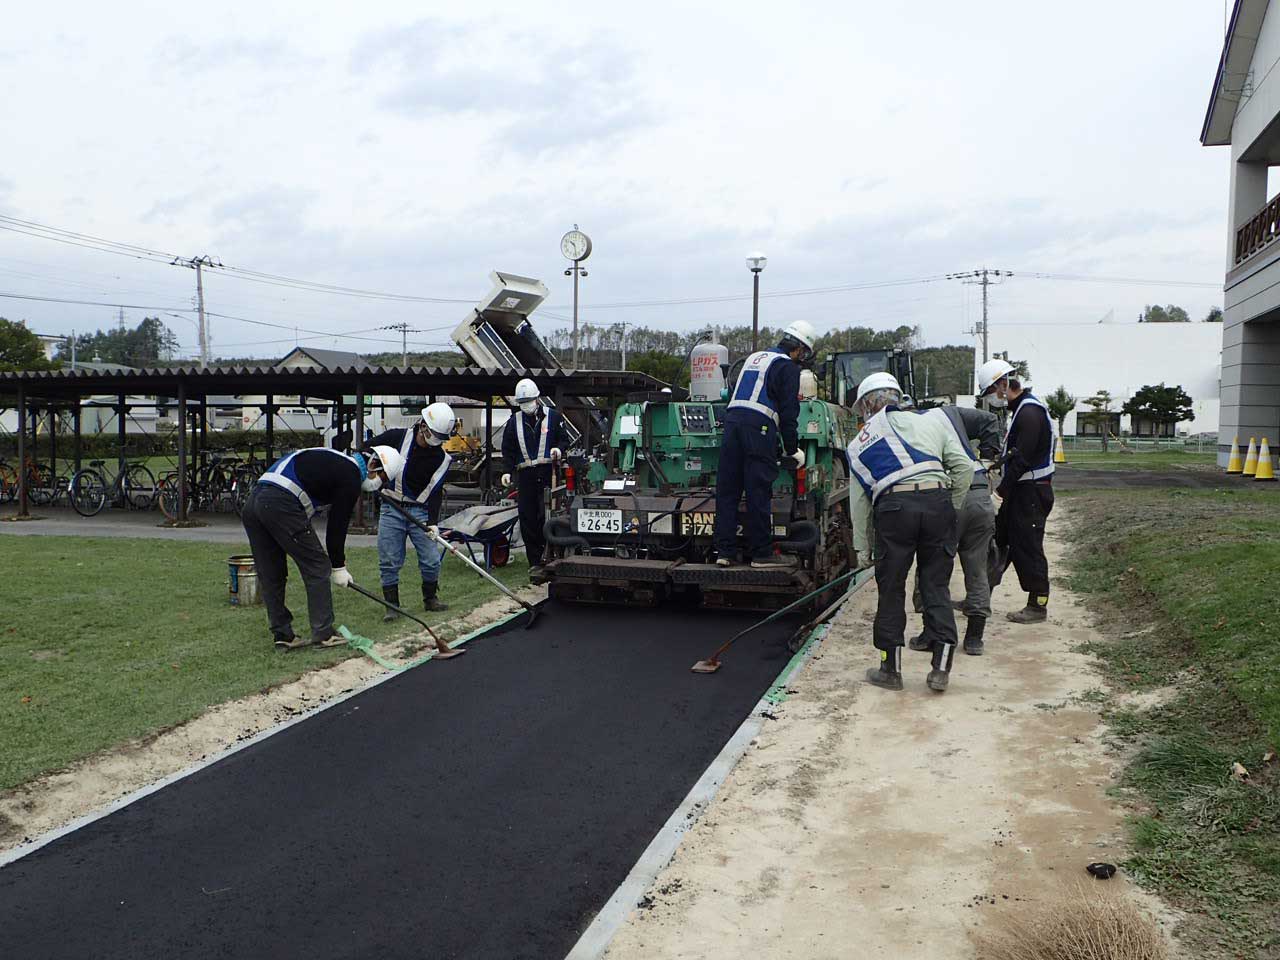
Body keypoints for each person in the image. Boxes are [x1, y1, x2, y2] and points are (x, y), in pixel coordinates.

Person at [848, 373, 974, 692]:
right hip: (938, 502)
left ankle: (890, 670)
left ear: (866, 405)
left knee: (891, 590)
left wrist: (862, 551)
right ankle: (940, 669)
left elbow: (860, 504)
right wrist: (949, 507)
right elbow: (963, 468)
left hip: (894, 510)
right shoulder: (933, 421)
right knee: (936, 586)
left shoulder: (860, 443)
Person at [241, 444, 405, 651]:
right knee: (318, 566)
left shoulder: (336, 459)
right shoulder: (351, 475)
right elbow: (337, 527)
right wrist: (338, 567)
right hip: (279, 502)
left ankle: (283, 635)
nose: (379, 484)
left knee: (271, 571)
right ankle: (324, 633)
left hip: (255, 501)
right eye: (383, 478)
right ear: (374, 464)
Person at [713, 320, 816, 568]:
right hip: (758, 427)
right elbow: (789, 413)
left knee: (727, 491)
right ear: (800, 350)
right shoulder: (788, 367)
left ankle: (724, 552)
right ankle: (761, 553)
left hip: (732, 422)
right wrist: (792, 449)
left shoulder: (755, 358)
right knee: (758, 490)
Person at [906, 404, 1001, 656]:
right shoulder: (950, 417)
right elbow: (990, 419)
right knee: (977, 568)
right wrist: (989, 455)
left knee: (931, 568)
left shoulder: (915, 430)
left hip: (952, 496)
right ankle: (974, 638)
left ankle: (931, 633)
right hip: (981, 496)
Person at [977, 358, 1056, 624]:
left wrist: (1000, 492)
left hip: (1032, 491)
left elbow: (1022, 459)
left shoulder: (1030, 412)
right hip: (1022, 490)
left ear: (1003, 384)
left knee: (1028, 546)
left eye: (991, 392)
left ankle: (1038, 605)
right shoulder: (1020, 410)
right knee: (1002, 540)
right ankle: (980, 596)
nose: (992, 398)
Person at [363, 402, 456, 620]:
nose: (435, 441)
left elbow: (436, 492)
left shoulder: (441, 459)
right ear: (423, 425)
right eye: (434, 434)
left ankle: (431, 599)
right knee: (389, 559)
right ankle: (392, 607)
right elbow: (366, 449)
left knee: (431, 559)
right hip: (391, 507)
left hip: (420, 512)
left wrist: (433, 522)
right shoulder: (397, 438)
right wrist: (374, 474)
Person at [500, 378, 569, 575]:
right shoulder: (514, 422)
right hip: (526, 475)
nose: (526, 406)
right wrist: (506, 470)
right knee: (528, 517)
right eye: (522, 403)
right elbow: (508, 449)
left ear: (537, 398)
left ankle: (552, 554)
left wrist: (559, 449)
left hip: (548, 472)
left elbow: (564, 440)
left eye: (528, 401)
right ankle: (535, 560)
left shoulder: (553, 417)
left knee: (546, 514)